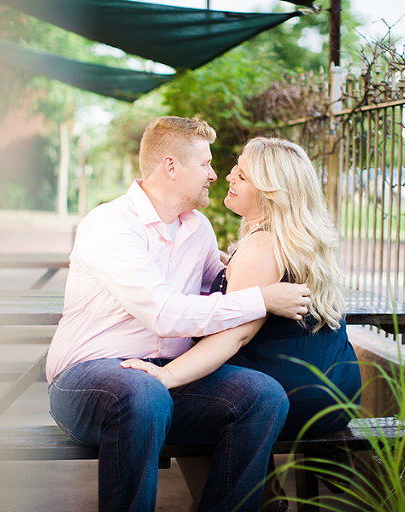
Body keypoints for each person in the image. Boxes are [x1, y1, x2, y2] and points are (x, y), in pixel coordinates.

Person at [46, 117, 313, 512]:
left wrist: (267, 258)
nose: (214, 175)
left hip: (164, 378)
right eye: (205, 164)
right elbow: (165, 313)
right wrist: (263, 298)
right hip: (89, 377)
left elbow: (220, 288)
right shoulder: (111, 226)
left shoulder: (197, 228)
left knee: (263, 396)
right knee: (143, 394)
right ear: (171, 166)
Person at [121, 137, 362, 509]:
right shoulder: (298, 239)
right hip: (336, 386)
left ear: (271, 194)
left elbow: (233, 338)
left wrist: (166, 377)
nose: (228, 176)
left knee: (184, 404)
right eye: (236, 167)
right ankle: (268, 485)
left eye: (243, 176)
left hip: (292, 394)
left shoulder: (261, 247)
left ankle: (256, 498)